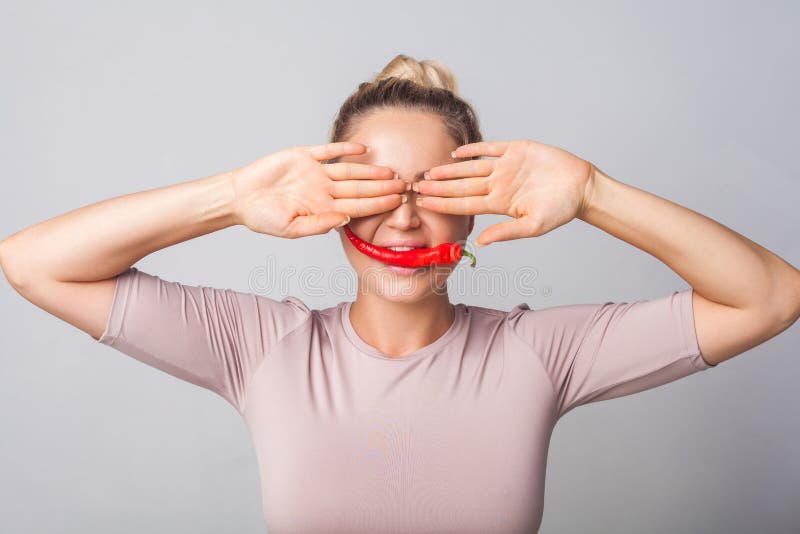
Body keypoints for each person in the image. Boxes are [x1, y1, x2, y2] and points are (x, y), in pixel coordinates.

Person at [1, 53, 798, 533]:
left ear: (480, 199)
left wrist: (593, 193)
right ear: (330, 201)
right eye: (375, 190)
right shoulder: (262, 348)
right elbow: (35, 262)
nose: (406, 220)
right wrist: (231, 196)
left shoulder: (539, 354)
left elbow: (769, 297)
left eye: (432, 187)